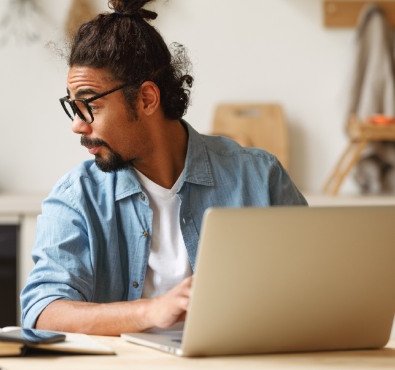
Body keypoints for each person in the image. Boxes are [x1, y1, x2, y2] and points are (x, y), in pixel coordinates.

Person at [20, 0, 307, 336]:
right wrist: (152, 310)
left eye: (91, 106)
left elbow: (317, 285)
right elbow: (43, 311)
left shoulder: (260, 177)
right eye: (74, 108)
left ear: (146, 99)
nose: (78, 126)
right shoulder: (76, 198)